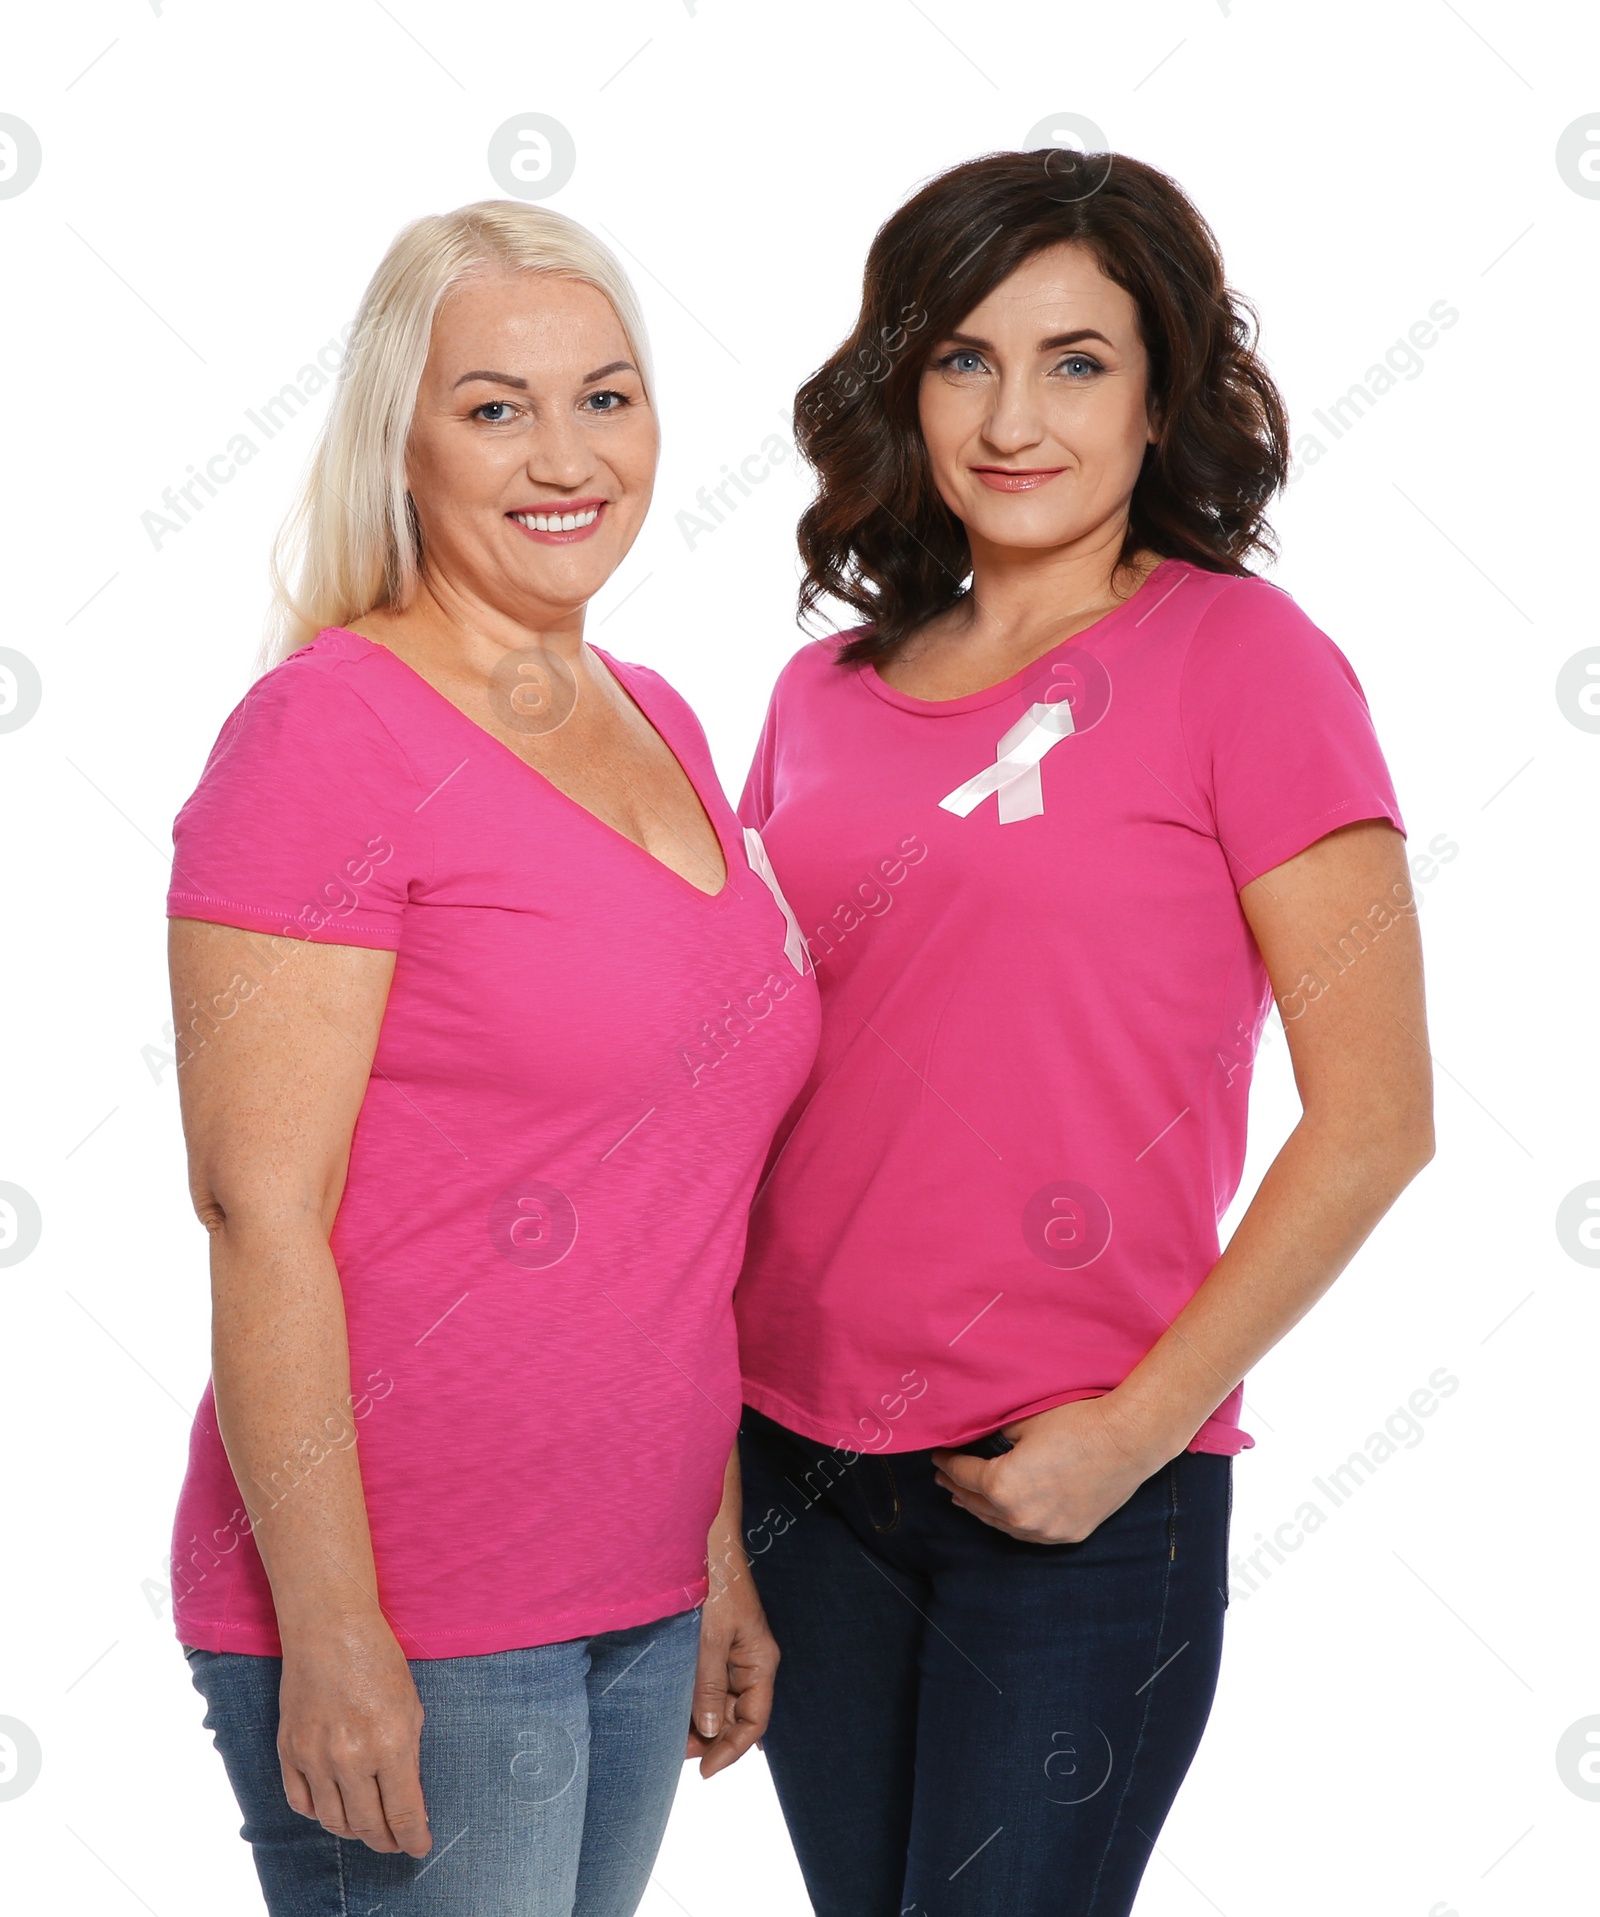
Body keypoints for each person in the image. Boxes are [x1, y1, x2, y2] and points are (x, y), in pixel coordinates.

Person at [733, 149, 1434, 1916]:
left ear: (1161, 391)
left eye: (1076, 360)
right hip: (792, 1470)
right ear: (902, 381)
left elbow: (1378, 1120)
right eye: (964, 357)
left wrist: (1132, 1434)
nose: (1012, 415)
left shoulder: (1250, 663)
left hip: (1078, 1479)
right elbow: (737, 1080)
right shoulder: (817, 697)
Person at [166, 200, 818, 1917]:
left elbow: (676, 1201)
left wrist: (711, 1546)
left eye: (606, 397)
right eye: (495, 405)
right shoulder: (328, 732)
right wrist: (333, 1630)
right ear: (403, 438)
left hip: (637, 1587)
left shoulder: (666, 718)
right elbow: (258, 1212)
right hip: (417, 1610)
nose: (566, 454)